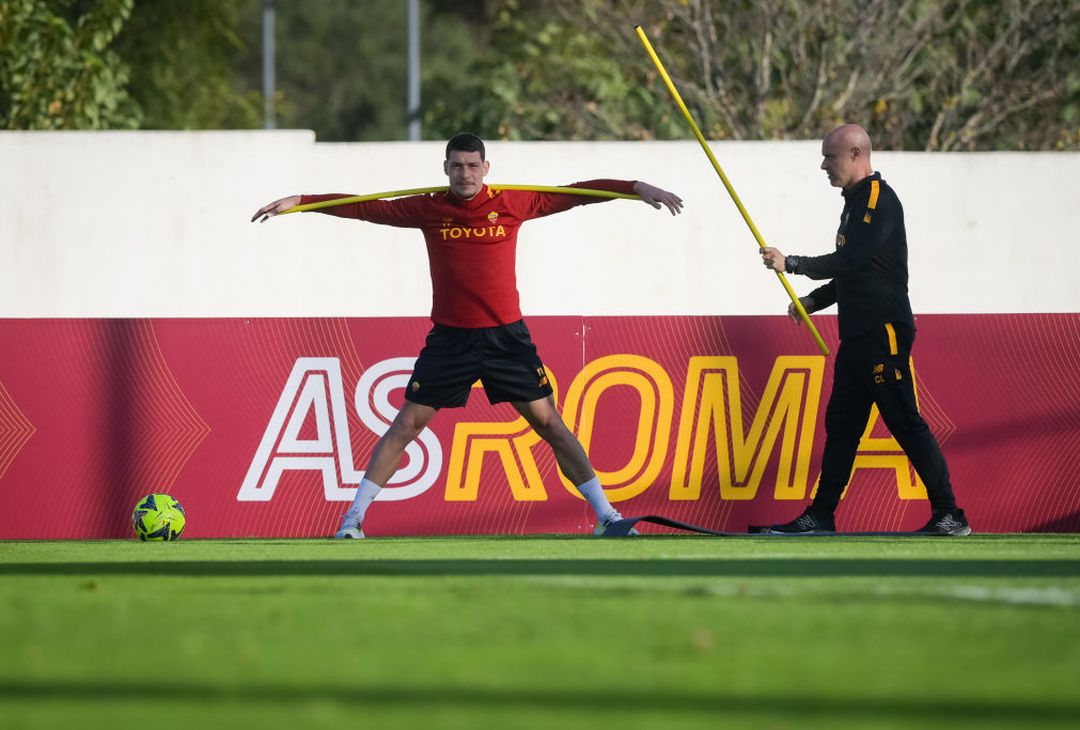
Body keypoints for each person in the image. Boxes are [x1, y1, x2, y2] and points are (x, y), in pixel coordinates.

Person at [252, 132, 684, 538]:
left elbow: (574, 195)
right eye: (457, 166)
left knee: (549, 423)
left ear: (486, 167)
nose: (465, 174)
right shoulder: (428, 208)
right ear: (445, 168)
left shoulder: (514, 202)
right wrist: (303, 202)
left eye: (473, 166)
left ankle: (606, 516)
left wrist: (634, 187)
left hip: (506, 339)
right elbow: (365, 208)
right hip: (451, 340)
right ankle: (353, 520)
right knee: (405, 426)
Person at [760, 123, 970, 536]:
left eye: (830, 157)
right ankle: (820, 515)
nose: (823, 166)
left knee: (905, 422)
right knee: (841, 429)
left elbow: (855, 259)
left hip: (882, 332)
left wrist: (794, 264)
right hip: (856, 337)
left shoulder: (878, 199)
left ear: (857, 155)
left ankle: (950, 514)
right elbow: (857, 274)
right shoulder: (853, 203)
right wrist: (813, 303)